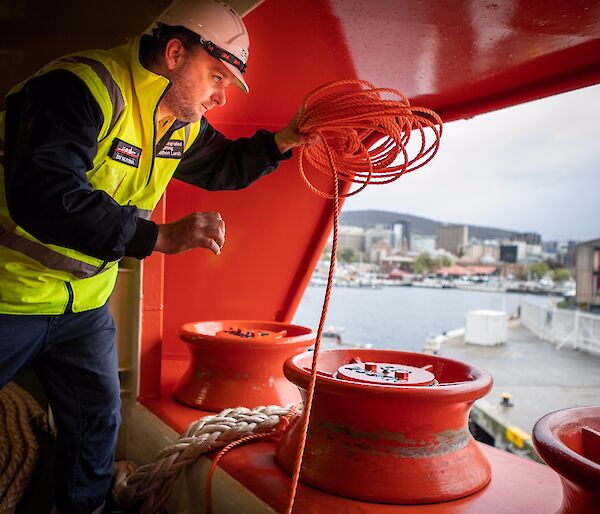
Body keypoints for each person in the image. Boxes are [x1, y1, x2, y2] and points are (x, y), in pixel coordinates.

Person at [0, 1, 314, 512]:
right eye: (216, 77)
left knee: (96, 422)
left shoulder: (177, 122)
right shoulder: (78, 88)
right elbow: (44, 192)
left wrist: (283, 141)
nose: (218, 96)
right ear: (174, 53)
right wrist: (157, 238)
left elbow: (224, 165)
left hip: (82, 307)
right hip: (7, 293)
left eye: (227, 86)